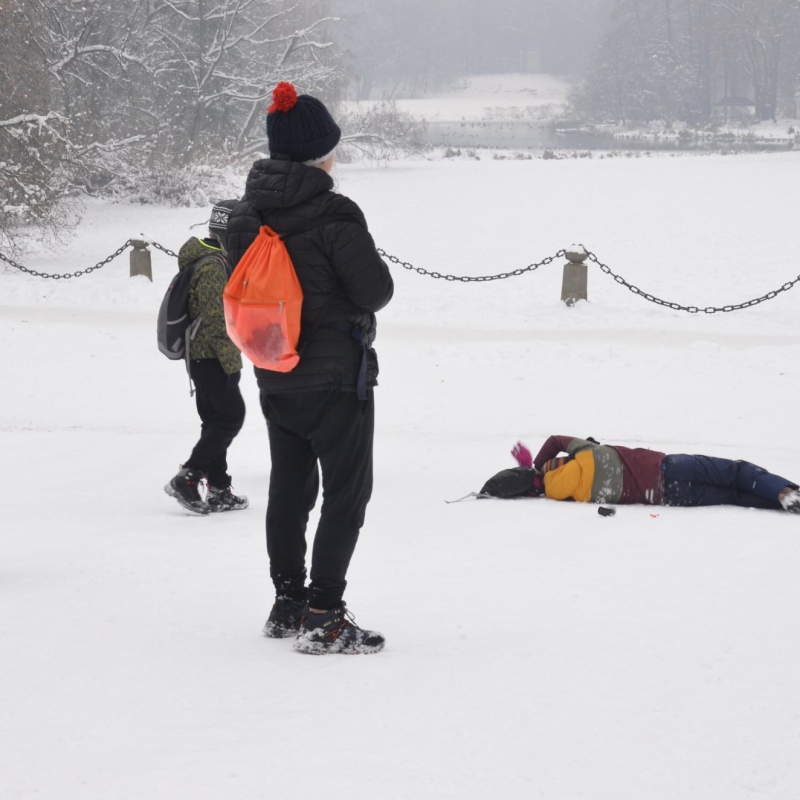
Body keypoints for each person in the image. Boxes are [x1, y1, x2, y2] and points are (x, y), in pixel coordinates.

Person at [225, 81, 394, 655]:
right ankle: (324, 614)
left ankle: (288, 604)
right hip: (333, 378)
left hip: (274, 371)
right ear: (320, 152)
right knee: (347, 494)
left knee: (290, 488)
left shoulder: (244, 214)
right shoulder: (335, 213)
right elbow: (374, 291)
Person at [164, 201, 249, 516]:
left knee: (214, 421)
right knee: (231, 416)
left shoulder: (209, 259)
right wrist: (231, 364)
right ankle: (189, 476)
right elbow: (216, 321)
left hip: (201, 356)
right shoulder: (213, 266)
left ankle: (219, 488)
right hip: (211, 356)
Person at [479, 435, 800, 513]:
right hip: (666, 466)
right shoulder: (587, 452)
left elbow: (539, 481)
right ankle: (786, 493)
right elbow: (555, 440)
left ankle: (782, 503)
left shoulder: (566, 495)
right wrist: (536, 462)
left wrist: (532, 477)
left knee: (731, 495)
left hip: (665, 495)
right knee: (735, 472)